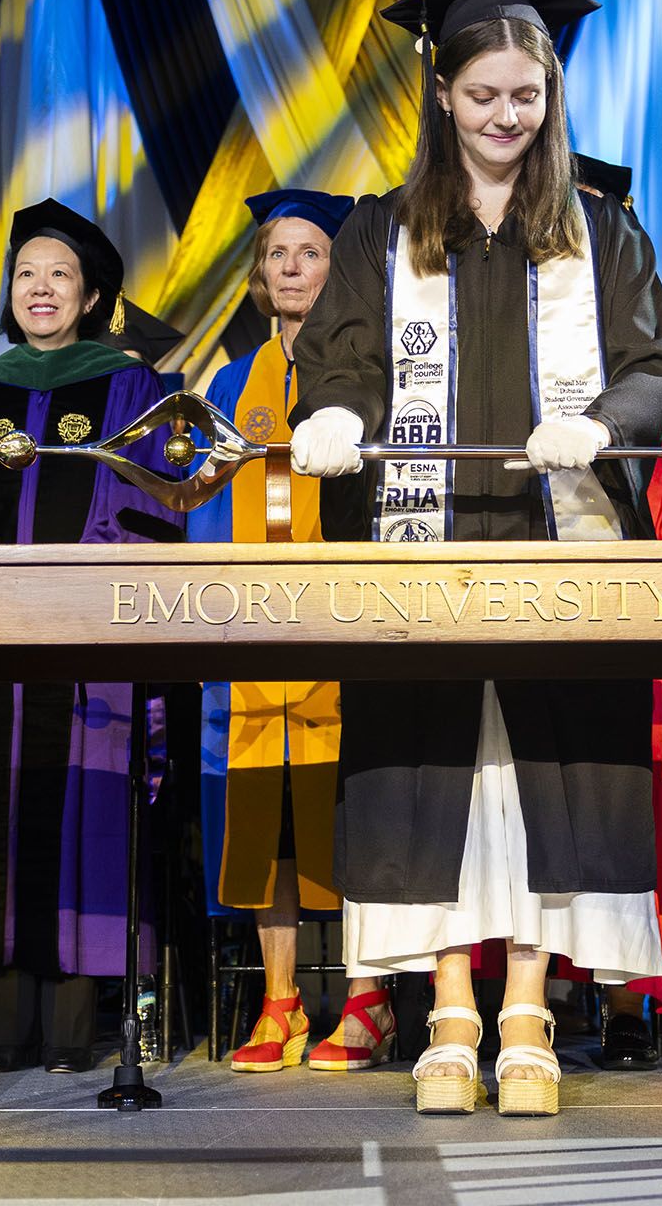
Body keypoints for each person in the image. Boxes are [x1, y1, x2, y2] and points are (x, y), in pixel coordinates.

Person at [288, 0, 662, 1118]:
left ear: (550, 96)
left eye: (526, 94)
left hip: (562, 536)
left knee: (547, 771)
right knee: (433, 767)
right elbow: (343, 355)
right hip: (427, 541)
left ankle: (526, 1008)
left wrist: (600, 425)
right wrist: (337, 417)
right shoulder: (379, 232)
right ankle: (448, 1010)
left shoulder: (600, 232)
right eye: (482, 94)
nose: (506, 116)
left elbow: (651, 364)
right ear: (441, 97)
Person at [0, 198, 184, 1073]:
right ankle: (1, 1025)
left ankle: (72, 1027)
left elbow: (149, 502)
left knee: (86, 810)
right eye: (26, 274)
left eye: (59, 274)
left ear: (92, 294)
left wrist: (74, 584)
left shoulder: (131, 387)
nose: (40, 288)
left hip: (87, 635)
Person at [189, 189, 395, 1073]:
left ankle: (366, 998)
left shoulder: (369, 371)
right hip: (255, 629)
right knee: (264, 814)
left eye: (311, 252)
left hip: (343, 621)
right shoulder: (231, 384)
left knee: (350, 811)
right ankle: (280, 1003)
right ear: (260, 276)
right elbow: (201, 509)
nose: (294, 269)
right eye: (279, 255)